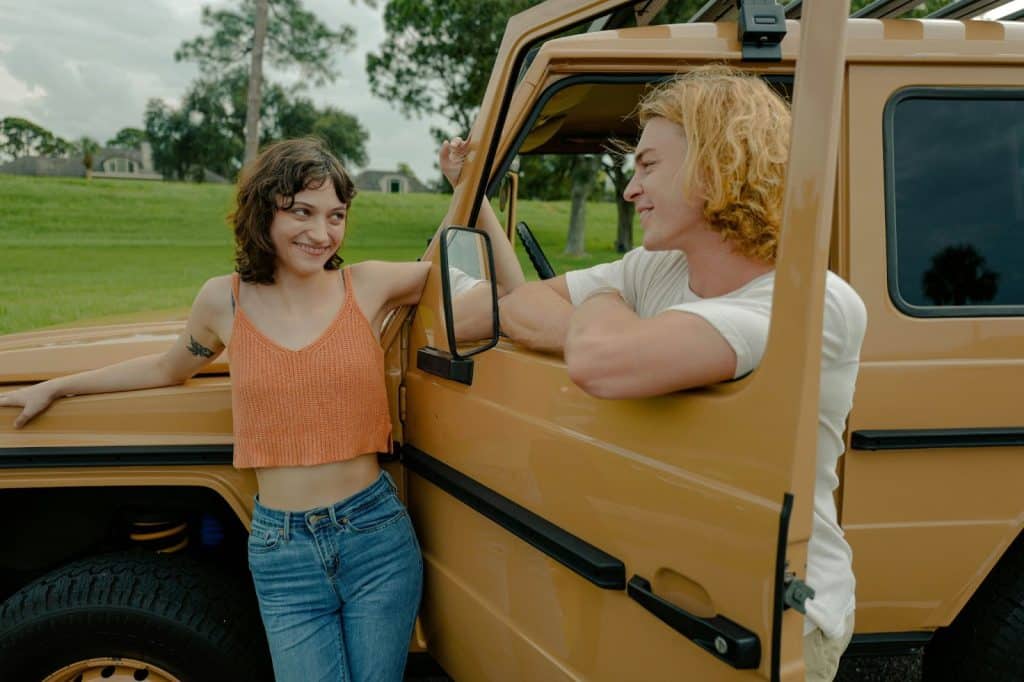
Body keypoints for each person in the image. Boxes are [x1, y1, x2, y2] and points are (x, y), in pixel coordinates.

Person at [447, 66, 867, 682]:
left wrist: (602, 312)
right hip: (671, 577)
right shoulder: (659, 269)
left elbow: (598, 362)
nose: (629, 189)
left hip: (766, 615)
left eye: (647, 166)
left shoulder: (809, 303)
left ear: (720, 163)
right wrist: (610, 314)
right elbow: (522, 305)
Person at [0, 138, 431, 682]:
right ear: (264, 209)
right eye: (302, 211)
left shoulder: (366, 285)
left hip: (375, 536)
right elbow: (166, 369)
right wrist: (58, 386)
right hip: (283, 550)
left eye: (336, 216)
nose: (321, 233)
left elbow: (458, 267)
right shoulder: (224, 300)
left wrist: (470, 187)